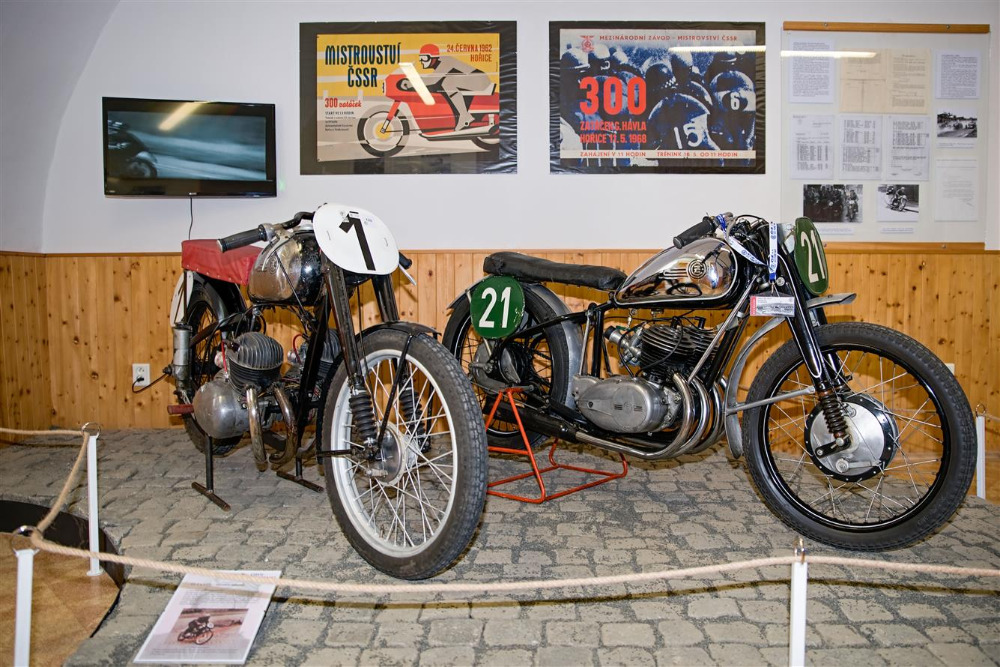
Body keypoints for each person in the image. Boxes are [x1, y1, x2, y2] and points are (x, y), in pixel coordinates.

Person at [418, 44, 493, 130]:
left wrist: (411, 81)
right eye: (420, 58)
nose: (421, 61)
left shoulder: (446, 61)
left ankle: (464, 115)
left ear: (434, 58)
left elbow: (432, 80)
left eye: (424, 58)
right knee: (447, 82)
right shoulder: (442, 62)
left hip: (480, 80)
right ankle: (464, 115)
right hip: (474, 79)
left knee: (448, 82)